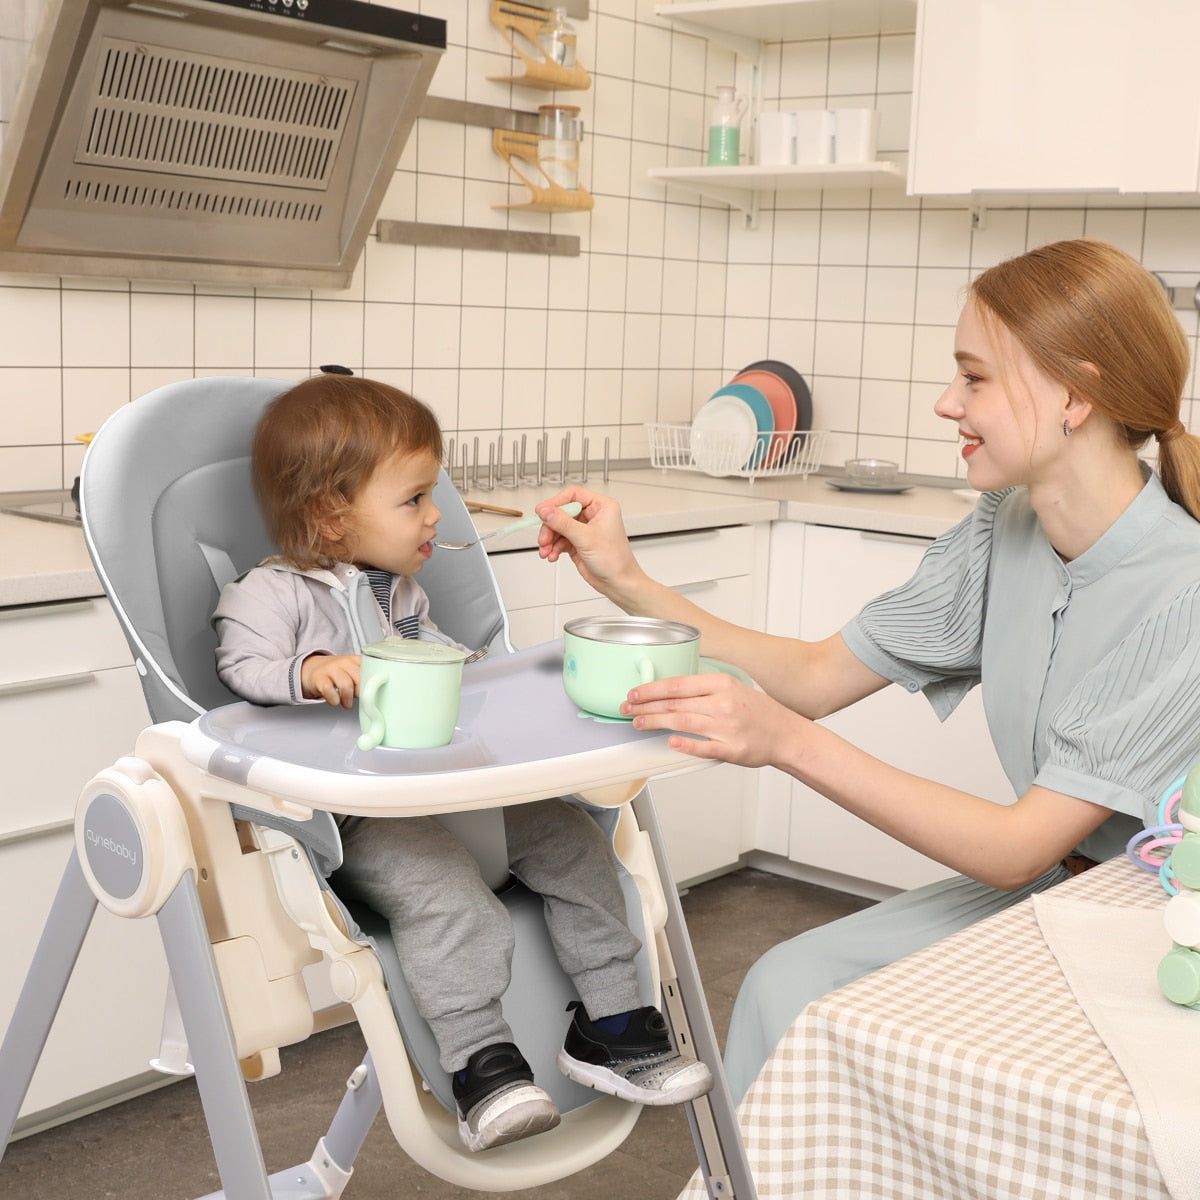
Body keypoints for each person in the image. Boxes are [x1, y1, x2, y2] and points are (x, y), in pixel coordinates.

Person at [534, 238, 1200, 1103]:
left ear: (1074, 393)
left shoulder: (1182, 589)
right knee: (787, 984)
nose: (944, 403)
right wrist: (628, 578)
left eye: (975, 378)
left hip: (1148, 919)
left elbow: (1014, 847)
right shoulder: (1008, 523)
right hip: (1053, 888)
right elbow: (814, 676)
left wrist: (782, 742)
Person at [212, 374, 712, 1152]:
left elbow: (445, 668)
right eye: (413, 499)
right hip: (366, 821)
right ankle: (484, 1067)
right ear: (330, 514)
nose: (435, 514)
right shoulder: (270, 595)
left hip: (457, 798)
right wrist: (309, 671)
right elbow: (240, 671)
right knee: (451, 902)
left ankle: (611, 1024)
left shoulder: (399, 593)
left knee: (580, 847)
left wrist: (476, 673)